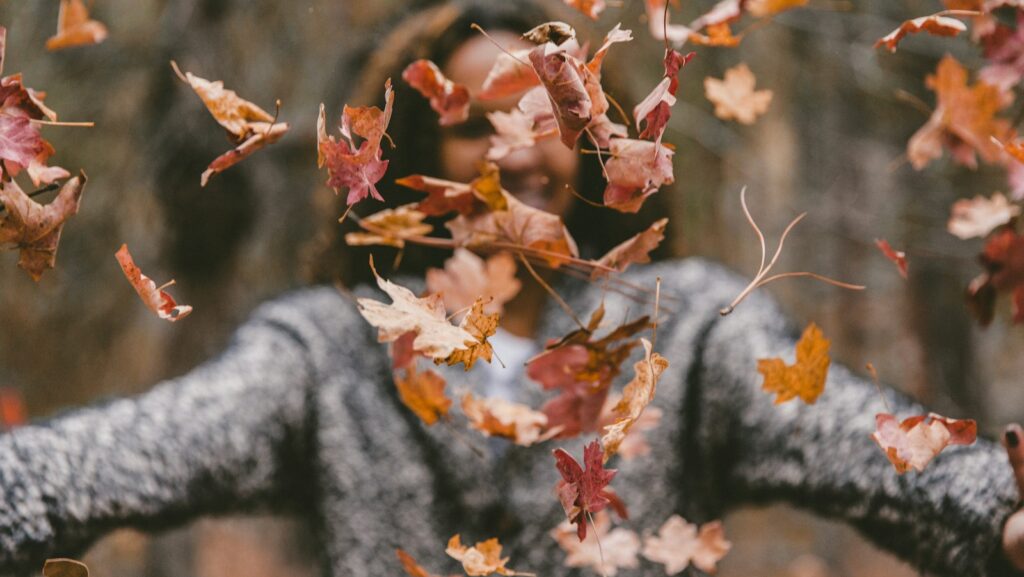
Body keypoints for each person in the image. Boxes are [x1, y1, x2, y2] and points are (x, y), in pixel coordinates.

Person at [2, 2, 1024, 577]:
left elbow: (871, 449)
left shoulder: (683, 329)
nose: (515, 151)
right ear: (412, 161)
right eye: (474, 123)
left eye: (545, 118)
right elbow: (129, 451)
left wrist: (1001, 514)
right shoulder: (330, 350)